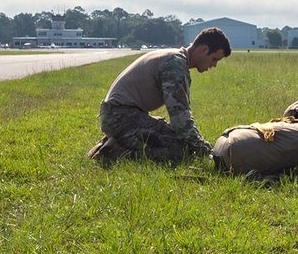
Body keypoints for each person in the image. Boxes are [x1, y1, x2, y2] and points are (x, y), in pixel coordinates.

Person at [89, 27, 232, 162]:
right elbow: (180, 120)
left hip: (122, 115)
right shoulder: (175, 64)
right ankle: (117, 151)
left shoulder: (175, 57)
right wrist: (204, 150)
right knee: (182, 148)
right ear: (204, 49)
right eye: (214, 59)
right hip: (121, 118)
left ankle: (119, 141)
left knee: (178, 139)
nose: (214, 65)